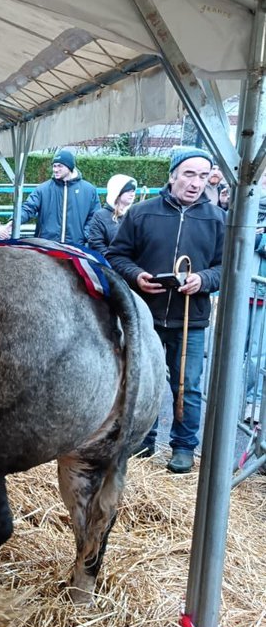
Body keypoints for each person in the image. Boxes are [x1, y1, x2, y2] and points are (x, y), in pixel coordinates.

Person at [107, 147, 225, 473]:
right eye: (189, 174)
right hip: (144, 316)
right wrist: (137, 276)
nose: (196, 183)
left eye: (203, 176)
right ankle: (142, 440)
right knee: (141, 379)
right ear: (172, 175)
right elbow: (117, 256)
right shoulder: (141, 212)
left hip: (191, 318)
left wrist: (203, 279)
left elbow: (225, 266)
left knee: (188, 385)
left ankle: (184, 447)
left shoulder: (217, 219)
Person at [0, 148, 98, 245]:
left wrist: (84, 235)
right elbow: (27, 208)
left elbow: (94, 217)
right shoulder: (43, 189)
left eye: (60, 166)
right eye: (54, 166)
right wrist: (11, 223)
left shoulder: (89, 190)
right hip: (47, 248)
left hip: (75, 248)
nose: (55, 169)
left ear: (70, 167)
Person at [243, 172, 266, 422]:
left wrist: (258, 238)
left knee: (259, 351)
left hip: (262, 289)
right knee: (235, 348)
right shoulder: (246, 206)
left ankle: (255, 401)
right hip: (242, 288)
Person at [84, 175, 137, 255]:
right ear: (117, 193)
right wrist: (114, 260)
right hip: (109, 264)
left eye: (133, 191)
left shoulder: (134, 214)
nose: (132, 194)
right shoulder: (100, 216)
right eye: (128, 191)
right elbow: (96, 244)